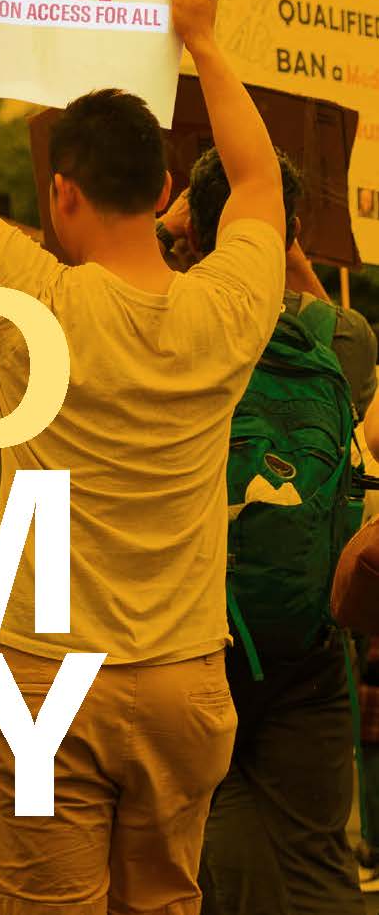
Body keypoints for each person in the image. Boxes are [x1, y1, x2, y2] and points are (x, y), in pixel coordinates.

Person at [0, 0, 287, 915]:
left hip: (49, 676)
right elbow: (261, 184)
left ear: (61, 195)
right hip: (185, 676)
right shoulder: (227, 308)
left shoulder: (36, 306)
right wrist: (203, 41)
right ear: (163, 194)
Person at [185, 146, 377, 914]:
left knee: (217, 817)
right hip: (313, 634)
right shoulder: (348, 338)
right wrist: (282, 237)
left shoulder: (171, 324)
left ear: (195, 233)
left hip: (196, 629)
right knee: (316, 848)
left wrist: (190, 240)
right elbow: (312, 318)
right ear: (290, 229)